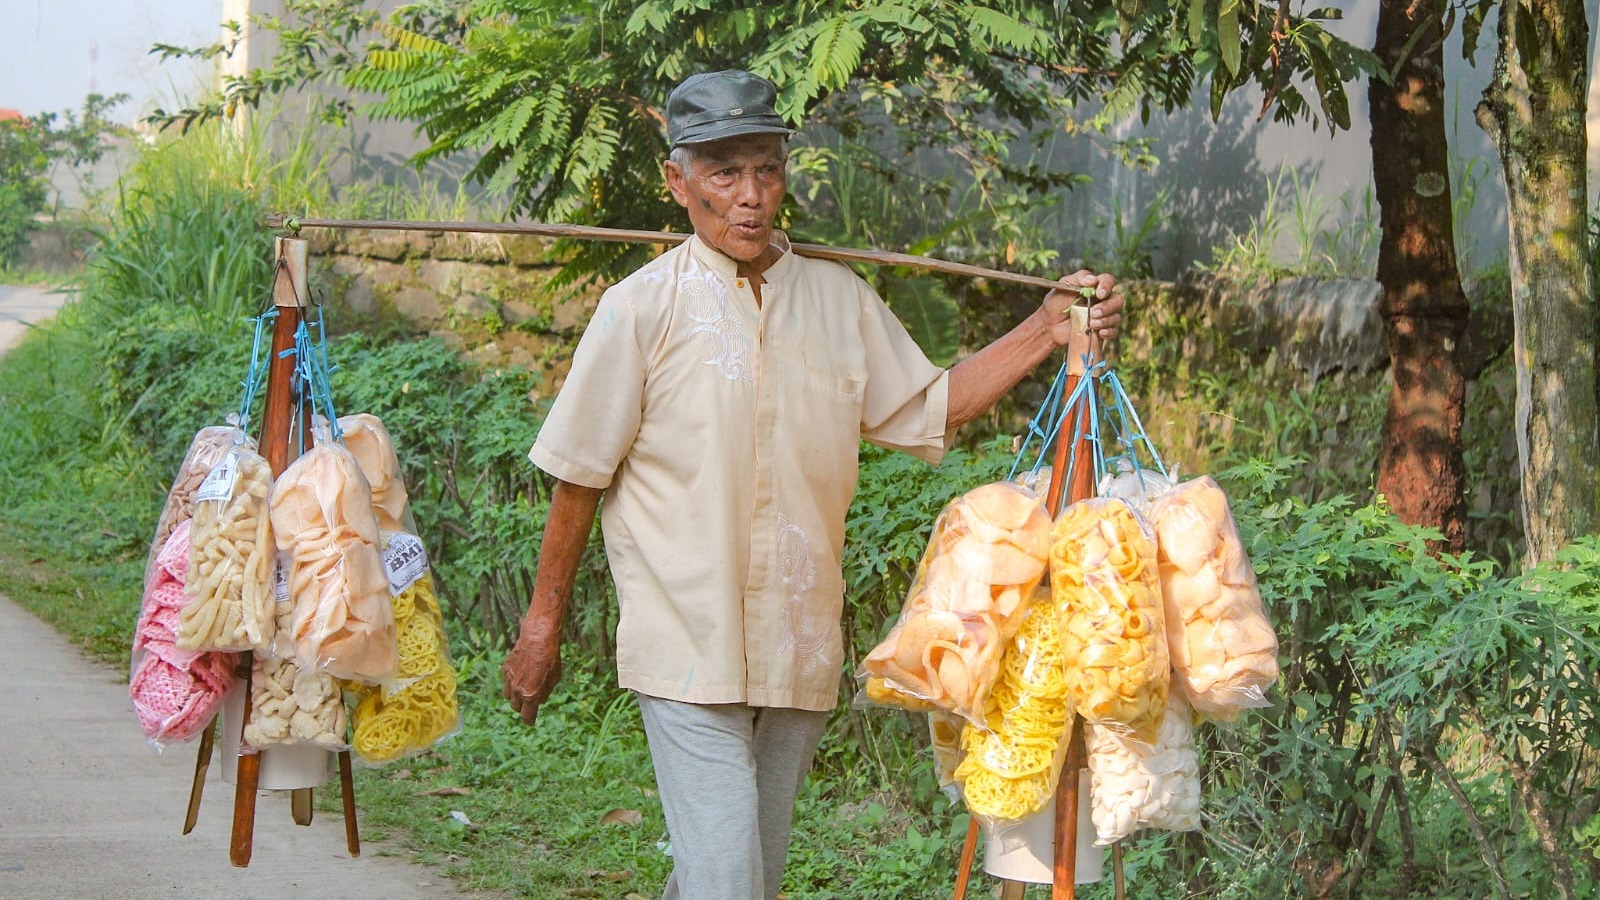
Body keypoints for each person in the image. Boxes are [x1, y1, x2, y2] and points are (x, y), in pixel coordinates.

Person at [502, 69, 1125, 899]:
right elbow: (578, 477)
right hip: (685, 642)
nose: (752, 196)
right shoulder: (640, 309)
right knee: (729, 879)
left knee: (738, 873)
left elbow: (932, 407)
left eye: (766, 168)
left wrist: (1046, 327)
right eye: (725, 174)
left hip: (797, 642)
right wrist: (542, 625)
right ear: (677, 182)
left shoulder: (839, 300)